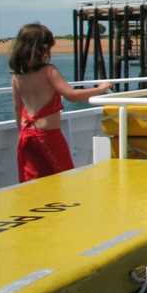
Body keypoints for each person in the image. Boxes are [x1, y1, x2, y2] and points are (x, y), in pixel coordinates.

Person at [10, 23, 112, 182]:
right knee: (62, 178)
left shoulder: (17, 76)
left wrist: (19, 133)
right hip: (48, 136)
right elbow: (71, 95)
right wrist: (100, 89)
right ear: (42, 48)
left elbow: (18, 108)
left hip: (26, 135)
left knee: (32, 181)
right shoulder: (49, 71)